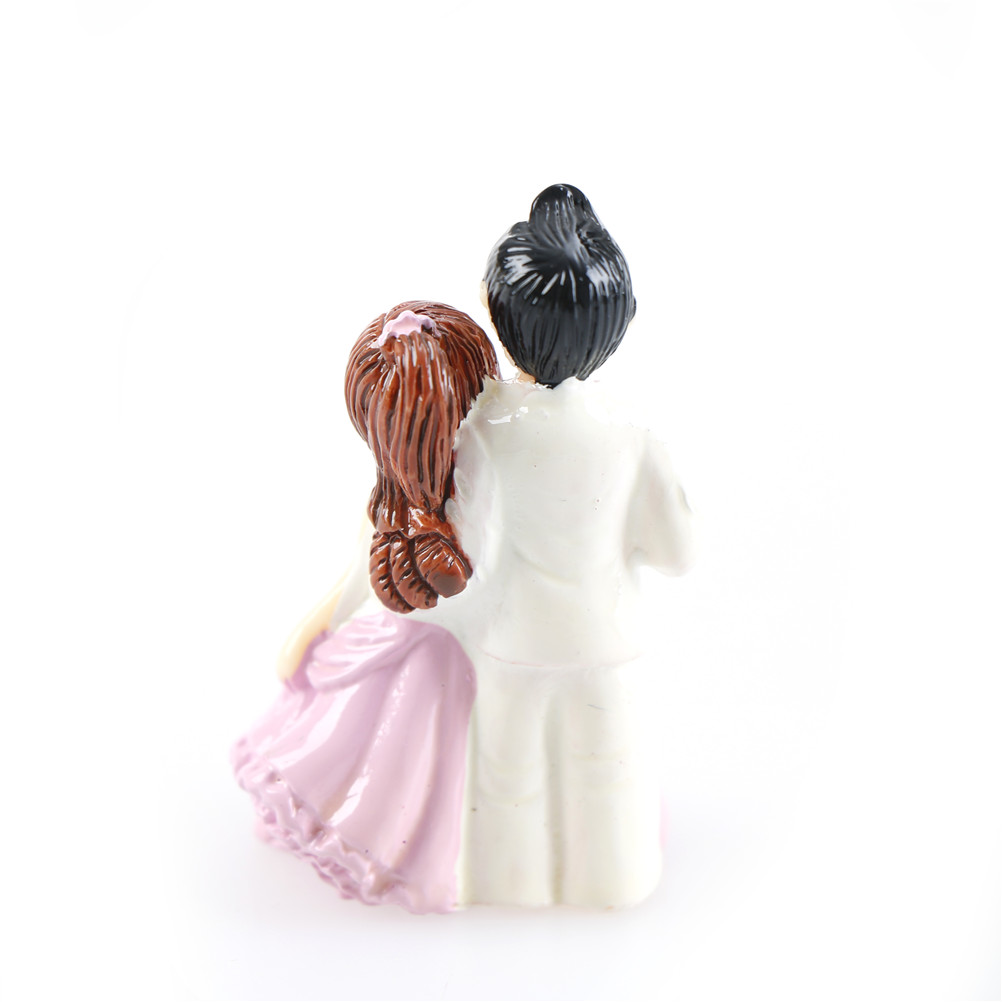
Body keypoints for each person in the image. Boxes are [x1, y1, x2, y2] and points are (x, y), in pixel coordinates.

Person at [411, 184, 696, 907]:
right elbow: (677, 552)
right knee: (609, 767)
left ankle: (510, 887)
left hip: (515, 638)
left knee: (506, 775)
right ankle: (614, 879)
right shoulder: (633, 428)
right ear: (618, 322)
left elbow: (466, 543)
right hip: (607, 637)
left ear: (502, 322)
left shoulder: (485, 428)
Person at [232, 302, 499, 914]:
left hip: (434, 659)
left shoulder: (459, 503)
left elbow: (353, 585)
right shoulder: (418, 506)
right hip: (429, 659)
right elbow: (355, 579)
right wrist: (314, 627)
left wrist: (312, 629)